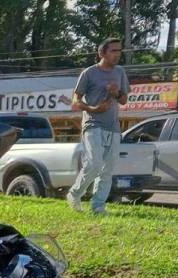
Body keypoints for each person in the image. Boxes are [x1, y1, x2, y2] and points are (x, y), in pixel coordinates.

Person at [66, 37, 130, 215]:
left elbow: (124, 100)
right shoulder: (89, 73)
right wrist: (93, 108)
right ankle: (75, 193)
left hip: (113, 127)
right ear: (102, 53)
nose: (117, 54)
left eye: (119, 51)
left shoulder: (120, 72)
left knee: (107, 169)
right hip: (92, 124)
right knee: (95, 163)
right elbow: (75, 100)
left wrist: (116, 92)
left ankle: (98, 206)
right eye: (113, 51)